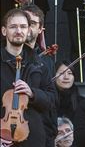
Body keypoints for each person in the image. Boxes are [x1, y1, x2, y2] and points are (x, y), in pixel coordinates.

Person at [1, 8, 57, 147]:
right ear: (4, 31)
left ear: (28, 31)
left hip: (33, 137)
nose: (19, 31)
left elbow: (52, 100)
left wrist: (33, 93)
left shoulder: (40, 63)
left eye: (23, 26)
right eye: (13, 26)